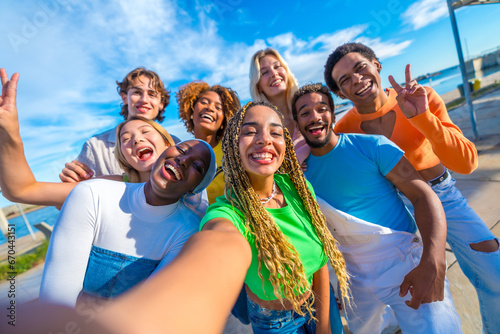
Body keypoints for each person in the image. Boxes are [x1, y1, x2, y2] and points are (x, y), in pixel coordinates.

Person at [0, 68, 216, 307]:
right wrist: (10, 133)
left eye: (152, 94)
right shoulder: (100, 182)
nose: (136, 139)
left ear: (168, 144)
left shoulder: (185, 220)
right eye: (124, 139)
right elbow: (23, 189)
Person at [324, 42, 500, 333]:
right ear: (340, 93)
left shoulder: (423, 97)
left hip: (443, 195)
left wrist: (421, 117)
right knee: (423, 302)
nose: (356, 79)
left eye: (360, 68)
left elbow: (467, 163)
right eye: (345, 80)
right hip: (393, 212)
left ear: (376, 65)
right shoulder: (343, 130)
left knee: (493, 270)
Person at [292, 83, 462, 333]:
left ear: (333, 113)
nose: (315, 116)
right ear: (297, 123)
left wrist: (433, 261)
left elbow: (423, 196)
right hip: (352, 276)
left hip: (403, 262)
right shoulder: (298, 175)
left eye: (322, 108)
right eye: (305, 112)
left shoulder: (373, 146)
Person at [200, 101, 350, 333]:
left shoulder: (298, 188)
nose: (264, 139)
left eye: (275, 132)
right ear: (232, 145)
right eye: (250, 131)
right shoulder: (229, 212)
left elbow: (320, 261)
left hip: (319, 300)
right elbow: (216, 235)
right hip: (274, 321)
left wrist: (324, 327)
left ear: (285, 144)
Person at [59, 67, 179, 182]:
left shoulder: (176, 143)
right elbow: (69, 196)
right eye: (137, 92)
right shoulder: (95, 146)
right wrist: (71, 181)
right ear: (124, 98)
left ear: (161, 103)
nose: (144, 100)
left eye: (152, 94)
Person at [177, 80, 240, 203]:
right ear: (191, 110)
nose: (209, 108)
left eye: (218, 107)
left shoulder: (235, 152)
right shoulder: (178, 152)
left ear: (224, 120)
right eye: (204, 102)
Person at [250, 48, 309, 164]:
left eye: (277, 66)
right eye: (264, 72)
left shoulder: (309, 109)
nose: (274, 73)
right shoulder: (259, 129)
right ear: (258, 86)